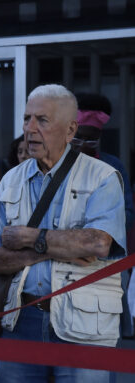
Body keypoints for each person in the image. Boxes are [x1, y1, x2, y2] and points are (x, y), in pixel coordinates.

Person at [0, 84, 126, 383]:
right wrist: (54, 246)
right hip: (20, 321)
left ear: (70, 129)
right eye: (26, 119)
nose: (30, 129)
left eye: (42, 120)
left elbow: (98, 243)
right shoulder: (10, 180)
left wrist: (29, 238)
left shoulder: (103, 177)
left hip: (83, 325)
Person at [73, 92, 134, 341]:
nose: (87, 142)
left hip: (107, 260)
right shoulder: (60, 165)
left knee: (107, 332)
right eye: (81, 137)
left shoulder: (113, 166)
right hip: (68, 262)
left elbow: (128, 210)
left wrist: (105, 229)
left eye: (93, 138)